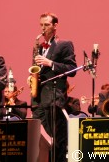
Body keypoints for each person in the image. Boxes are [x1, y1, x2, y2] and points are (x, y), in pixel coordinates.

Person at [30, 12, 77, 162]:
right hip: (38, 100)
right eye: (41, 25)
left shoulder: (65, 44)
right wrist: (31, 77)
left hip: (53, 98)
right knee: (43, 141)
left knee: (59, 140)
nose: (43, 28)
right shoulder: (37, 47)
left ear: (55, 26)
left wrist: (50, 63)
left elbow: (72, 69)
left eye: (47, 25)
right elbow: (35, 70)